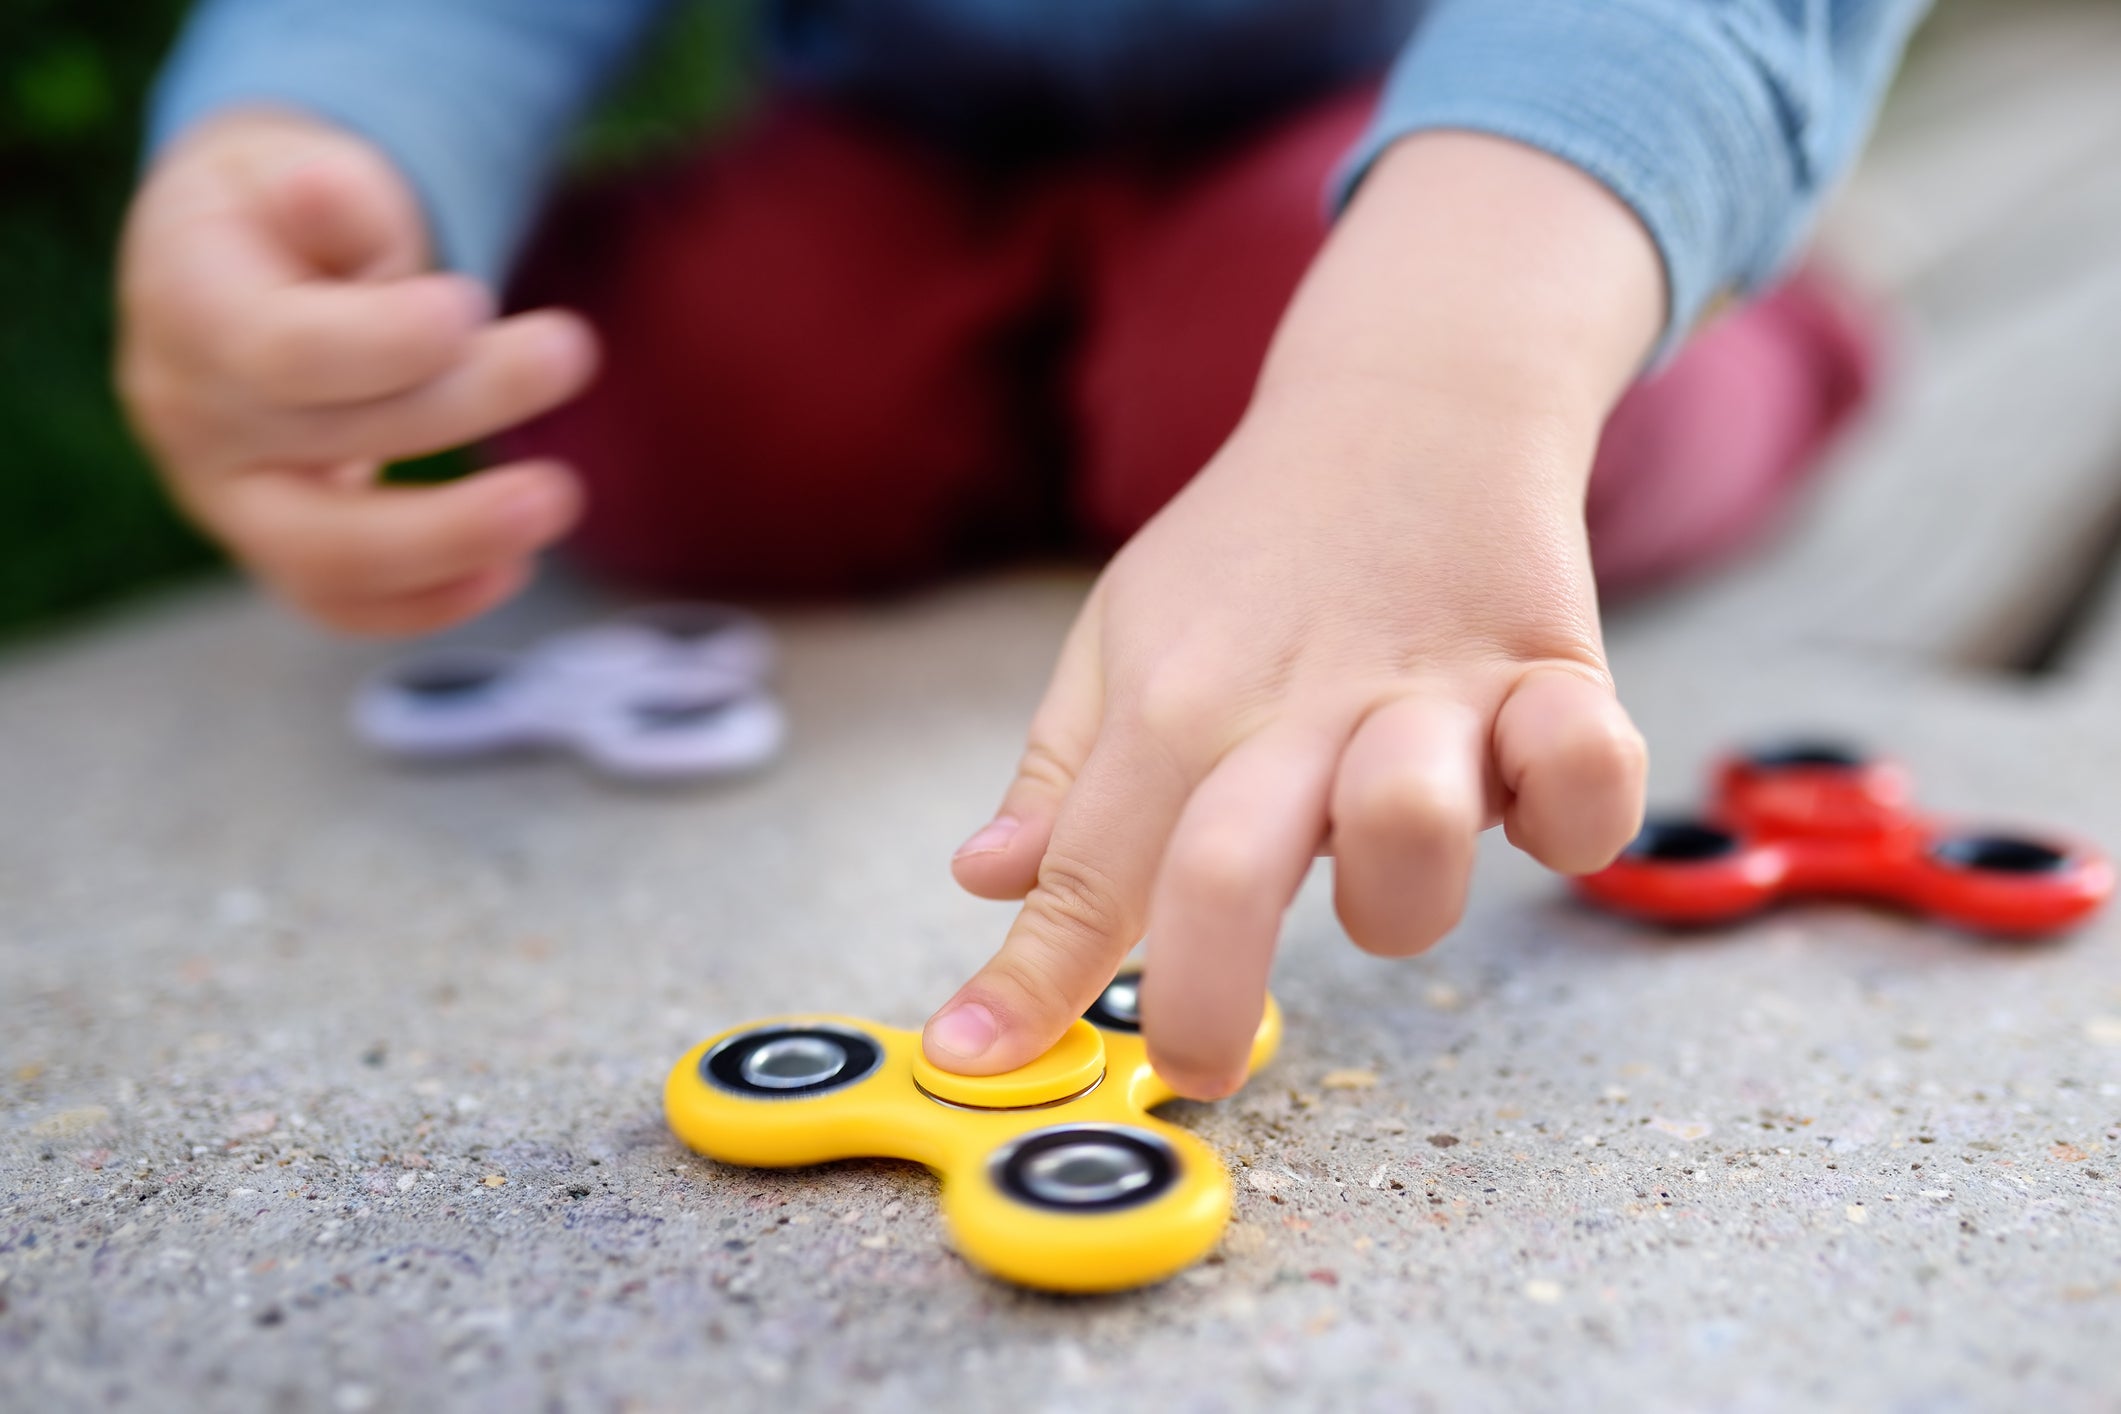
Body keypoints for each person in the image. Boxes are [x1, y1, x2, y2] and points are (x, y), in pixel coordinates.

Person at [120, 0, 1923, 1102]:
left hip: (1438, 131)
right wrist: (314, 129)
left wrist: (1445, 379)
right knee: (715, 413)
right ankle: (1098, 398)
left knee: (1339, 370)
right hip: (906, 121)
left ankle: (1729, 311)